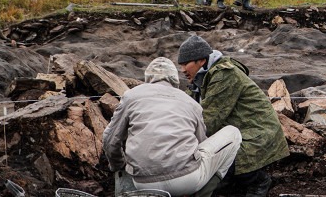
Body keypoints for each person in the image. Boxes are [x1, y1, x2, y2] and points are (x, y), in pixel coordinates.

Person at [102, 57, 241, 197]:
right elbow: (200, 142)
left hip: (142, 183)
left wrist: (118, 165)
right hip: (186, 181)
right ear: (175, 80)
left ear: (148, 78)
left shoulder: (131, 96)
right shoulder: (191, 103)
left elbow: (110, 138)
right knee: (233, 133)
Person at [177, 35, 290, 197]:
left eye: (185, 64)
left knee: (219, 160)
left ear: (201, 61)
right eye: (180, 65)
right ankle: (235, 180)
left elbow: (209, 120)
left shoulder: (224, 75)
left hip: (256, 135)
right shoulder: (201, 79)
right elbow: (187, 107)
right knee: (216, 180)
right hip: (241, 130)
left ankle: (258, 180)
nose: (182, 70)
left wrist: (182, 143)